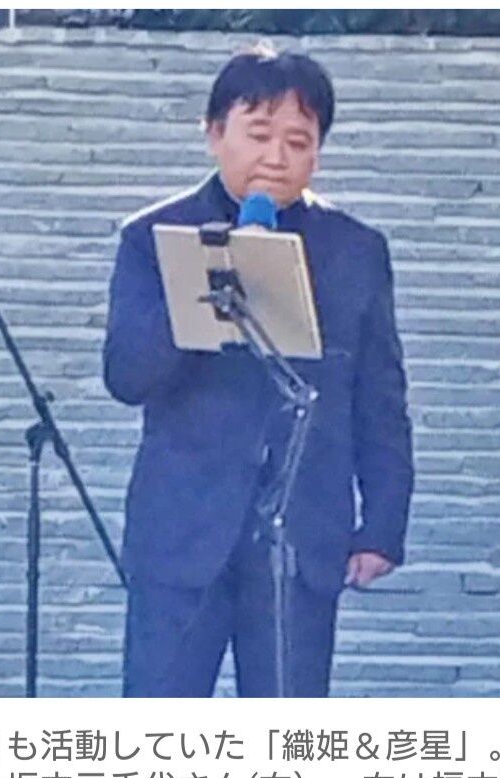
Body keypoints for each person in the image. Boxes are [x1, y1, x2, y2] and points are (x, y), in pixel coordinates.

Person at [103, 45, 414, 697]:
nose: (277, 156)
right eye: (259, 134)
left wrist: (382, 524)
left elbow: (380, 398)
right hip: (182, 534)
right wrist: (210, 284)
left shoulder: (355, 250)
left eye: (298, 141)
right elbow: (127, 377)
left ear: (318, 153)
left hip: (301, 536)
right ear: (214, 133)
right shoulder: (154, 236)